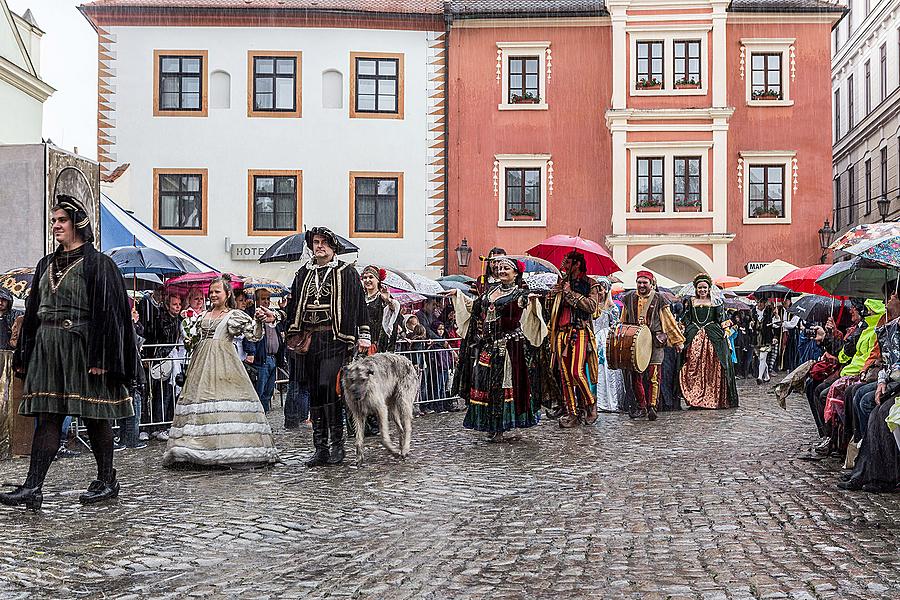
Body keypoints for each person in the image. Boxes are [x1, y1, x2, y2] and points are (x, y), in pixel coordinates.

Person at [1, 196, 135, 510]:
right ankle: (33, 487)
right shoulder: (45, 264)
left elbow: (111, 313)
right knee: (48, 418)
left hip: (82, 347)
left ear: (77, 225)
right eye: (54, 221)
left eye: (61, 220)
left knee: (93, 414)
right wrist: (25, 352)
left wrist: (102, 357)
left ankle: (106, 480)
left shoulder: (99, 263)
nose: (56, 225)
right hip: (49, 349)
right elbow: (33, 312)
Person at [163, 276, 278, 468]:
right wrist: (189, 332)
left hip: (225, 362)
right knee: (201, 402)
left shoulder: (233, 315)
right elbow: (193, 339)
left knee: (224, 402)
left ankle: (229, 448)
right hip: (201, 363)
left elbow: (254, 335)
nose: (214, 294)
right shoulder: (203, 316)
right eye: (212, 291)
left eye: (218, 291)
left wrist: (259, 321)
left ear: (227, 294)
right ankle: (196, 447)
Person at [284, 227, 368, 467]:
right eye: (315, 242)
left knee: (328, 387)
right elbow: (293, 307)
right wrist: (280, 320)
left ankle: (337, 445)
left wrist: (363, 335)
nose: (319, 246)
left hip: (334, 338)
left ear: (333, 247)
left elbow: (359, 304)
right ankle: (320, 447)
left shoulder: (346, 272)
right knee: (315, 391)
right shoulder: (303, 274)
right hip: (310, 340)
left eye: (323, 242)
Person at [451, 257, 545, 442]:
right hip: (488, 345)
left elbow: (528, 309)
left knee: (503, 386)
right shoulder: (491, 291)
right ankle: (489, 424)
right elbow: (476, 308)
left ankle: (501, 426)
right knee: (482, 382)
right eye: (500, 268)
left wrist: (531, 302)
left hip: (509, 347)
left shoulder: (520, 294)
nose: (501, 271)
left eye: (506, 268)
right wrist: (458, 295)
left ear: (516, 273)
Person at [619, 271, 685, 421]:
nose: (642, 285)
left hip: (654, 341)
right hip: (634, 342)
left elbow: (669, 322)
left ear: (651, 283)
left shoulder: (659, 299)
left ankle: (652, 407)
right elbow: (623, 320)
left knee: (654, 375)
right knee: (636, 376)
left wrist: (677, 341)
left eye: (645, 282)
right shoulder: (629, 298)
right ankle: (641, 406)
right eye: (639, 282)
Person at [546, 251, 602, 428]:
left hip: (580, 331)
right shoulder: (561, 282)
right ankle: (572, 413)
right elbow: (550, 310)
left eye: (568, 262)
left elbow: (592, 307)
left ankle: (591, 403)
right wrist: (552, 296)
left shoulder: (591, 284)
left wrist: (570, 294)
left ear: (577, 264)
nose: (564, 265)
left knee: (577, 371)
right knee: (565, 376)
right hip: (561, 333)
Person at [677, 273, 739, 410]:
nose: (702, 290)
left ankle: (712, 397)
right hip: (694, 335)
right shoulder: (691, 302)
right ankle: (694, 396)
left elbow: (722, 319)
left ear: (709, 288)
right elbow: (687, 319)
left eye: (705, 288)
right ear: (696, 289)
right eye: (700, 288)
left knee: (714, 365)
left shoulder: (716, 302)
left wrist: (726, 331)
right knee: (692, 363)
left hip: (713, 336)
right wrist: (682, 329)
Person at [242, 289, 281, 413]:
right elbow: (249, 336)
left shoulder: (272, 315)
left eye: (268, 299)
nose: (266, 301)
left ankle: (266, 417)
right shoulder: (252, 315)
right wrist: (251, 352)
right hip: (261, 359)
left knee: (268, 392)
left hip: (273, 358)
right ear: (256, 300)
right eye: (263, 299)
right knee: (259, 392)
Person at [592, 277, 626, 413]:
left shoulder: (612, 308)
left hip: (605, 340)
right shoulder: (591, 305)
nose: (600, 292)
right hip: (592, 338)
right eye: (597, 288)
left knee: (606, 370)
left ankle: (609, 401)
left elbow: (615, 326)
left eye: (602, 288)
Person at [361, 265, 402, 353]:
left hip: (376, 345)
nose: (367, 280)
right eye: (365, 277)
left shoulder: (383, 298)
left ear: (378, 280)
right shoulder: (360, 298)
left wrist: (387, 301)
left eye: (371, 277)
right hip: (360, 343)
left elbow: (393, 310)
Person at [751, 298, 776, 384]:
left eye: (761, 302)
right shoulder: (753, 311)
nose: (759, 304)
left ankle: (760, 377)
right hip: (756, 338)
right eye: (758, 302)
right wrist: (751, 324)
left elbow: (776, 325)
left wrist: (775, 315)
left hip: (766, 338)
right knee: (760, 358)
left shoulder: (769, 311)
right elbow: (751, 323)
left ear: (765, 303)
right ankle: (766, 376)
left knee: (762, 358)